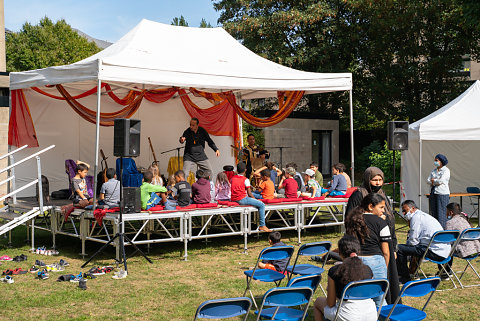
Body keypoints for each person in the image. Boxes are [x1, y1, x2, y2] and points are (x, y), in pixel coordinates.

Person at [345, 166, 400, 304]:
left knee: (386, 281)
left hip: (385, 242)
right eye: (374, 180)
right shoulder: (359, 194)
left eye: (380, 180)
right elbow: (350, 219)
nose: (377, 183)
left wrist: (393, 246)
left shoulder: (382, 195)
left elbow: (390, 221)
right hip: (366, 243)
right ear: (368, 179)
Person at [314, 235, 377, 321]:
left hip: (348, 315)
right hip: (371, 314)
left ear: (339, 253)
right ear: (358, 250)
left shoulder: (334, 271)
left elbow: (330, 304)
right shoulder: (368, 270)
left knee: (318, 302)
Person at [345, 193, 390, 308]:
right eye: (381, 207)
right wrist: (384, 266)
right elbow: (386, 251)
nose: (383, 211)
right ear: (371, 206)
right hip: (376, 261)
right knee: (380, 300)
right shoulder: (381, 223)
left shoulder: (352, 220)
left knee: (357, 299)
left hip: (355, 260)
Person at [396, 200, 451, 283]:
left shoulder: (416, 217)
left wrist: (407, 249)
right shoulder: (426, 216)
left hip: (434, 252)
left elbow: (413, 241)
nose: (404, 213)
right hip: (446, 253)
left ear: (413, 208)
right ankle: (412, 272)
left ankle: (404, 277)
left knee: (399, 248)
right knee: (415, 248)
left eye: (405, 210)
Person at [231, 162, 271, 232]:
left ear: (237, 170)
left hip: (233, 199)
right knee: (261, 205)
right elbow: (249, 194)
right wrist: (255, 199)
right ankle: (262, 225)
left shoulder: (232, 178)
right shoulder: (245, 179)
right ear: (245, 170)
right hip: (242, 199)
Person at [427, 154, 450, 229]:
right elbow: (428, 180)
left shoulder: (446, 170)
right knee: (434, 213)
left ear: (441, 161)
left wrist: (434, 180)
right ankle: (435, 230)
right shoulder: (433, 170)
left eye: (437, 160)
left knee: (442, 214)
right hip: (433, 193)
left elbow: (441, 181)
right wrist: (434, 181)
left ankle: (442, 230)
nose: (435, 162)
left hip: (442, 194)